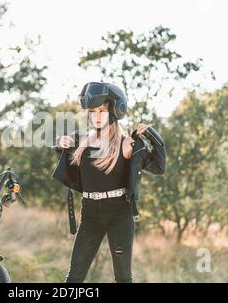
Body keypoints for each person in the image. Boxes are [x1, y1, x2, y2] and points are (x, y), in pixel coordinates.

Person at [52, 81, 166, 283]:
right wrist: (60, 145)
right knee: (75, 276)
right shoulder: (80, 141)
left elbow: (159, 167)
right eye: (93, 111)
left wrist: (150, 134)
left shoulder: (126, 144)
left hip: (119, 215)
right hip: (89, 215)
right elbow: (66, 163)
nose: (96, 116)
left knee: (123, 277)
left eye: (102, 111)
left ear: (114, 111)